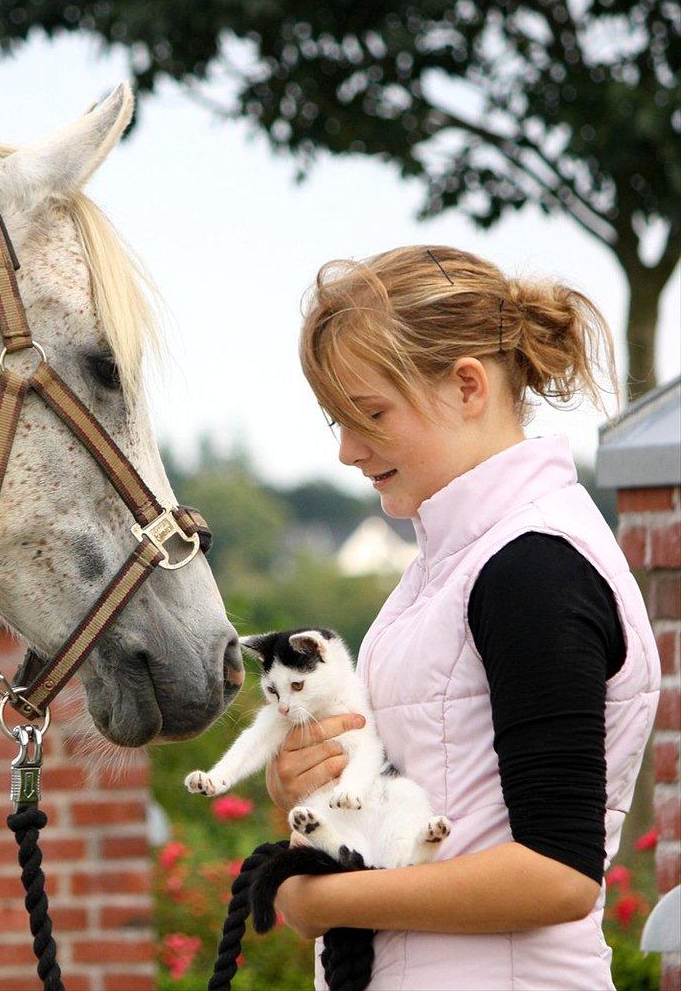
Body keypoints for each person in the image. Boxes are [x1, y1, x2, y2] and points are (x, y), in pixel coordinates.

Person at [269, 246, 661, 989]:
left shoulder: (533, 568)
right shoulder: (449, 568)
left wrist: (327, 899)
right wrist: (309, 794)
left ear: (468, 387)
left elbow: (557, 873)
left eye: (370, 414)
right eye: (337, 422)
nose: (348, 451)